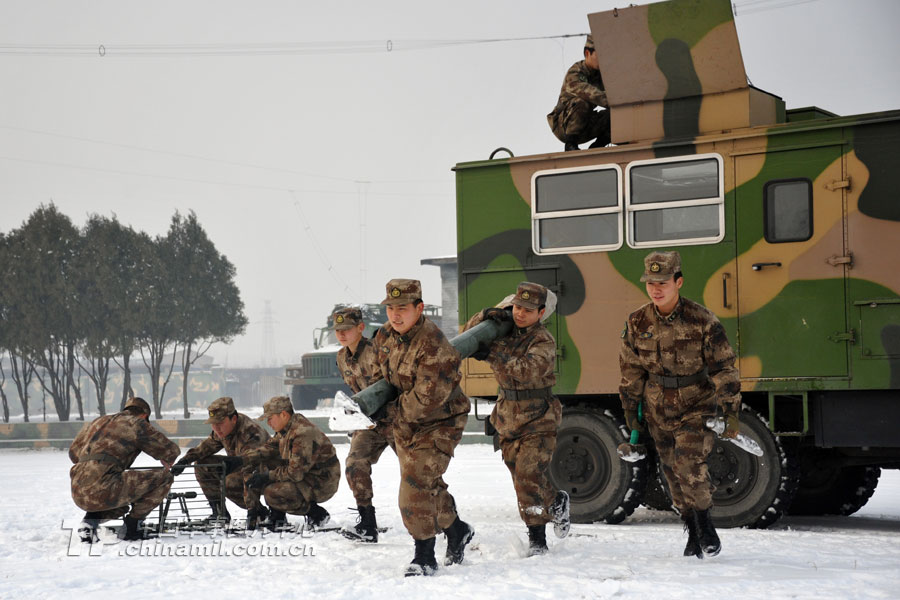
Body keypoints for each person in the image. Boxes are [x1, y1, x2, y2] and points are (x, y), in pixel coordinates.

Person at [619, 251, 742, 558]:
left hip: (695, 404)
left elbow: (724, 368)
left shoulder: (703, 321)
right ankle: (692, 531)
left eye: (662, 282)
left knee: (689, 465)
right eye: (650, 282)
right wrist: (631, 415)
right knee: (672, 473)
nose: (656, 288)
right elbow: (631, 372)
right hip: (657, 408)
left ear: (679, 282)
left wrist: (730, 411)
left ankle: (706, 525)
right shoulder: (637, 322)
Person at [372, 278, 473, 576]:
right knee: (429, 486)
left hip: (440, 423)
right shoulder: (385, 337)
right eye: (390, 308)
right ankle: (457, 531)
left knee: (414, 485)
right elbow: (382, 379)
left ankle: (424, 556)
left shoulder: (434, 347)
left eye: (402, 308)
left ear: (420, 308)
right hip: (405, 425)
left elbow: (423, 402)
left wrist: (385, 410)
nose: (395, 314)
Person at [464, 282, 570, 557]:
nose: (520, 314)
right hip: (508, 416)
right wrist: (487, 315)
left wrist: (492, 353)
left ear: (541, 312)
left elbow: (526, 370)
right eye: (517, 308)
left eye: (528, 310)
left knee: (527, 473)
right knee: (522, 477)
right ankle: (555, 501)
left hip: (538, 417)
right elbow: (468, 335)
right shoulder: (505, 329)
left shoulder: (543, 340)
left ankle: (537, 540)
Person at [68, 397, 180, 542]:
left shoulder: (96, 422)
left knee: (122, 502)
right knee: (164, 478)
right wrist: (164, 457)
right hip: (102, 489)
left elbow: (73, 453)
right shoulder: (136, 423)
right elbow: (171, 451)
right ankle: (132, 528)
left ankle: (90, 522)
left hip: (78, 490)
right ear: (144, 415)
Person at [332, 306, 396, 543]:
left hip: (395, 418)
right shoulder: (341, 357)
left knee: (417, 473)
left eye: (347, 329)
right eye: (338, 329)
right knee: (354, 464)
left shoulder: (378, 350)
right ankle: (367, 523)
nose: (341, 334)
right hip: (369, 423)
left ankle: (449, 524)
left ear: (360, 327)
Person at [170, 396, 271, 529]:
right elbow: (205, 447)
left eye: (219, 423)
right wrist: (185, 460)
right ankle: (219, 513)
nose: (216, 428)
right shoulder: (223, 429)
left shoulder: (250, 433)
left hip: (265, 474)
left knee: (228, 482)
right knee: (203, 464)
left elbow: (250, 469)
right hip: (240, 467)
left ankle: (258, 511)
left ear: (233, 419)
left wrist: (252, 511)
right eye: (213, 424)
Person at [243, 395, 340, 530]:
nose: (268, 423)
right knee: (263, 462)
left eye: (270, 418)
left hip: (321, 480)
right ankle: (277, 516)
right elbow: (269, 448)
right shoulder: (286, 429)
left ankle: (316, 513)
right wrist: (243, 459)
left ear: (283, 415)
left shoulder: (302, 433)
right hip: (307, 474)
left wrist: (267, 476)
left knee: (272, 492)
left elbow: (295, 473)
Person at [547, 34, 611, 151]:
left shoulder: (601, 75)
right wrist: (612, 101)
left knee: (612, 116)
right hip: (564, 127)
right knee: (582, 102)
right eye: (599, 54)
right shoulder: (576, 72)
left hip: (586, 124)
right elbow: (586, 91)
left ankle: (597, 147)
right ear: (587, 53)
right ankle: (571, 144)